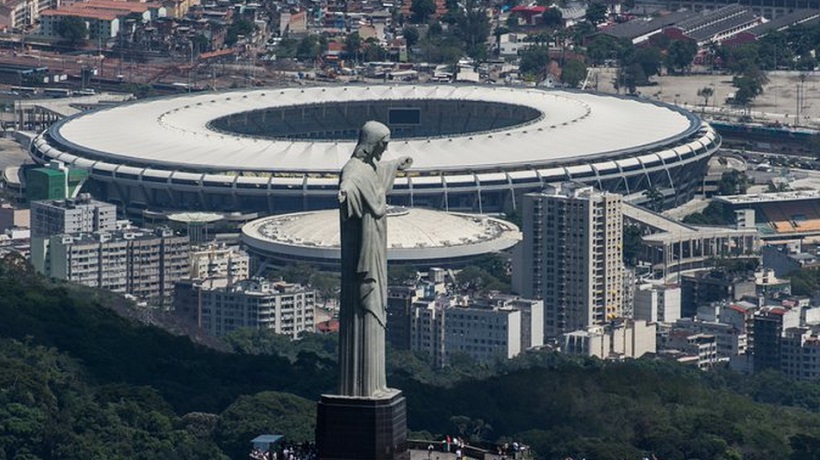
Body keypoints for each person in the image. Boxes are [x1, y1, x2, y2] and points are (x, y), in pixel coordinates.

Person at [337, 120, 412, 398]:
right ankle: (361, 388)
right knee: (363, 315)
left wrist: (395, 164)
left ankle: (375, 385)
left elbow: (376, 173)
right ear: (370, 144)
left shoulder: (368, 167)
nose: (386, 149)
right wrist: (345, 193)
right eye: (383, 145)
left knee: (375, 317)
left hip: (377, 247)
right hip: (364, 254)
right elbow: (351, 182)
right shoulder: (354, 170)